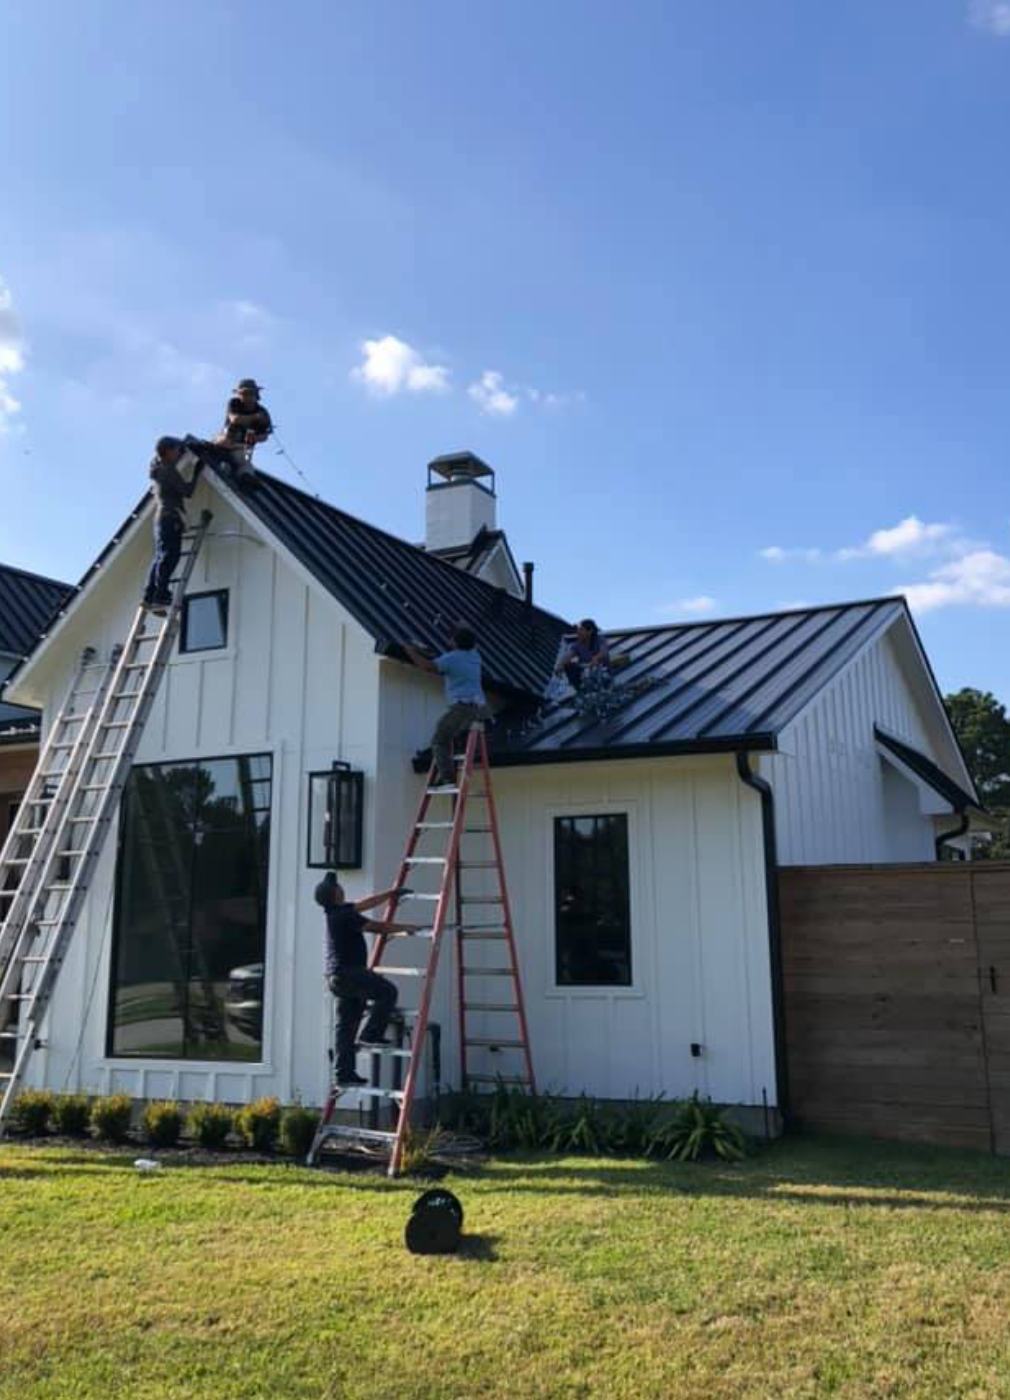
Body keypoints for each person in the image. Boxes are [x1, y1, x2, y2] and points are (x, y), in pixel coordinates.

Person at [315, 872, 420, 1087]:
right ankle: (371, 1034)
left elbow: (365, 904)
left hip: (337, 979)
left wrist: (390, 894)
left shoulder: (336, 912)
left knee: (345, 1026)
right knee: (387, 992)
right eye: (338, 887)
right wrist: (407, 928)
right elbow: (377, 927)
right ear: (335, 894)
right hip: (349, 973)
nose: (341, 888)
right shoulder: (344, 916)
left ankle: (344, 1074)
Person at [402, 624, 488, 789]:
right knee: (449, 733)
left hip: (463, 708)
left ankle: (447, 779)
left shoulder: (452, 658)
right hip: (479, 709)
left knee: (439, 739)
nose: (449, 640)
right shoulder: (475, 656)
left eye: (451, 638)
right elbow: (461, 648)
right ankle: (452, 768)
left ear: (455, 642)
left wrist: (410, 650)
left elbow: (428, 666)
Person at [142, 436, 203, 614]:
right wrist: (197, 471)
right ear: (168, 452)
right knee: (170, 556)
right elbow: (188, 492)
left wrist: (184, 447)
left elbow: (167, 451)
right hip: (171, 517)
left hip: (161, 518)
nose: (179, 453)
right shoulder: (168, 470)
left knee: (160, 556)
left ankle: (149, 595)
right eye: (177, 450)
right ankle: (160, 595)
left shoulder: (157, 467)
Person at [213, 377, 272, 486]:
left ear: (256, 395)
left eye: (250, 394)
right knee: (223, 449)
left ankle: (245, 479)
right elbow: (235, 419)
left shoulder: (263, 412)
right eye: (243, 394)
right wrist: (255, 417)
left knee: (245, 465)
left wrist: (256, 438)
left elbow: (265, 435)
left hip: (243, 449)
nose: (247, 397)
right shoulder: (234, 403)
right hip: (224, 443)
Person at [556, 618, 611, 692]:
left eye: (581, 630)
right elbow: (568, 655)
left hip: (601, 673)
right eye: (578, 630)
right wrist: (560, 664)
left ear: (590, 631)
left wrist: (596, 658)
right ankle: (581, 690)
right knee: (569, 665)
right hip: (586, 673)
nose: (578, 632)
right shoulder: (577, 644)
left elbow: (604, 651)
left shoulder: (600, 639)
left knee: (597, 668)